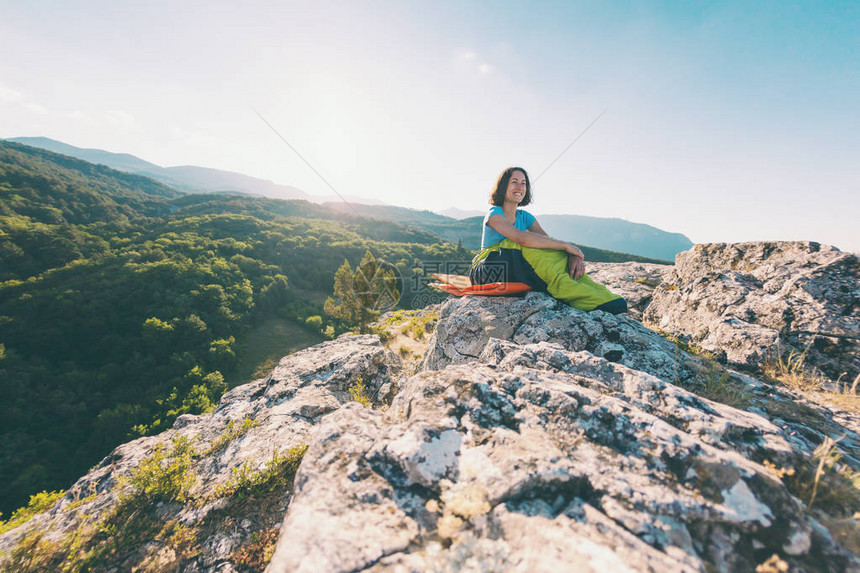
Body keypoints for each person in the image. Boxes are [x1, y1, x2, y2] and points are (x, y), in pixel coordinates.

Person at [469, 166, 627, 314]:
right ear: (503, 186)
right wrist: (566, 245)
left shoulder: (526, 217)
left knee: (545, 247)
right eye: (514, 182)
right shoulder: (494, 214)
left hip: (511, 266)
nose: (520, 187)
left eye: (523, 183)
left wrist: (573, 254)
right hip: (487, 270)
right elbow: (522, 238)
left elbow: (547, 241)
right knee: (518, 243)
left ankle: (601, 295)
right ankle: (573, 293)